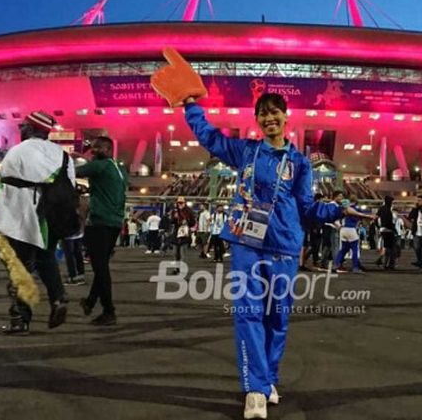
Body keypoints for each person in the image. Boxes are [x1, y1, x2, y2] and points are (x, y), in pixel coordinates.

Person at [150, 49, 368, 419]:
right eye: (263, 114)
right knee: (248, 312)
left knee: (277, 317)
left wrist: (337, 210)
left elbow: (307, 208)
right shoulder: (244, 152)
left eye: (275, 112)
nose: (270, 118)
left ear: (286, 117)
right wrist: (190, 104)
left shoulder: (299, 163)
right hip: (246, 244)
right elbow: (209, 137)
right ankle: (254, 390)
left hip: (285, 246)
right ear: (257, 120)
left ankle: (268, 379)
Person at [0, 111, 72, 335]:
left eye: (23, 125)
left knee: (19, 268)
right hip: (52, 217)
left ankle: (19, 319)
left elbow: (5, 189)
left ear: (32, 129)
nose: (20, 129)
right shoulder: (63, 155)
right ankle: (57, 297)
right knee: (46, 258)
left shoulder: (17, 152)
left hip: (21, 220)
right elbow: (70, 186)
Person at [75, 136, 128, 326]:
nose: (93, 150)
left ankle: (109, 310)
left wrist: (83, 157)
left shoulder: (100, 165)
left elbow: (73, 171)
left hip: (100, 222)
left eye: (97, 148)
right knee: (102, 265)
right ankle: (90, 301)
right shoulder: (119, 168)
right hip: (114, 222)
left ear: (106, 149)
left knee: (100, 268)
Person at [333, 194, 373, 273]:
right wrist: (370, 217)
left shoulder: (343, 208)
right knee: (355, 249)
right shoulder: (356, 209)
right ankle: (355, 267)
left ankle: (336, 264)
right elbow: (363, 217)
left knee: (343, 249)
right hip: (351, 229)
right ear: (356, 201)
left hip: (343, 229)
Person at [377, 196, 398, 270]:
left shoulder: (381, 209)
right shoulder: (389, 210)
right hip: (389, 231)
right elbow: (389, 222)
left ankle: (384, 262)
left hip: (383, 230)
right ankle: (389, 264)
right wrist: (393, 229)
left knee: (386, 247)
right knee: (392, 248)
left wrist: (379, 227)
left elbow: (376, 218)